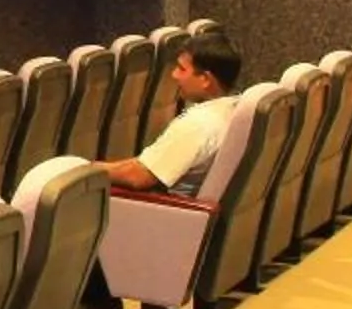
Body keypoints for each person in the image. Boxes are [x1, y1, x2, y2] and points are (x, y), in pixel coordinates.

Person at [97, 29, 244, 196]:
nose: (174, 75)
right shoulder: (238, 108)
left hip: (170, 215)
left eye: (182, 69)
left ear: (205, 79)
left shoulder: (199, 125)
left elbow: (139, 176)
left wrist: (82, 170)